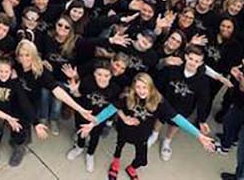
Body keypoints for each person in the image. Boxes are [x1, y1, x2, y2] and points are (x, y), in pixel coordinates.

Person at [81, 73, 215, 180]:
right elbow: (110, 109)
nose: (141, 91)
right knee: (119, 147)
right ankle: (115, 163)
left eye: (144, 87)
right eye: (138, 87)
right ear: (134, 87)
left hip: (142, 134)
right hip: (125, 129)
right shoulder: (128, 96)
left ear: (150, 87)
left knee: (142, 160)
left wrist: (199, 135)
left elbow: (177, 118)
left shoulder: (159, 101)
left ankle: (131, 168)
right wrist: (93, 123)